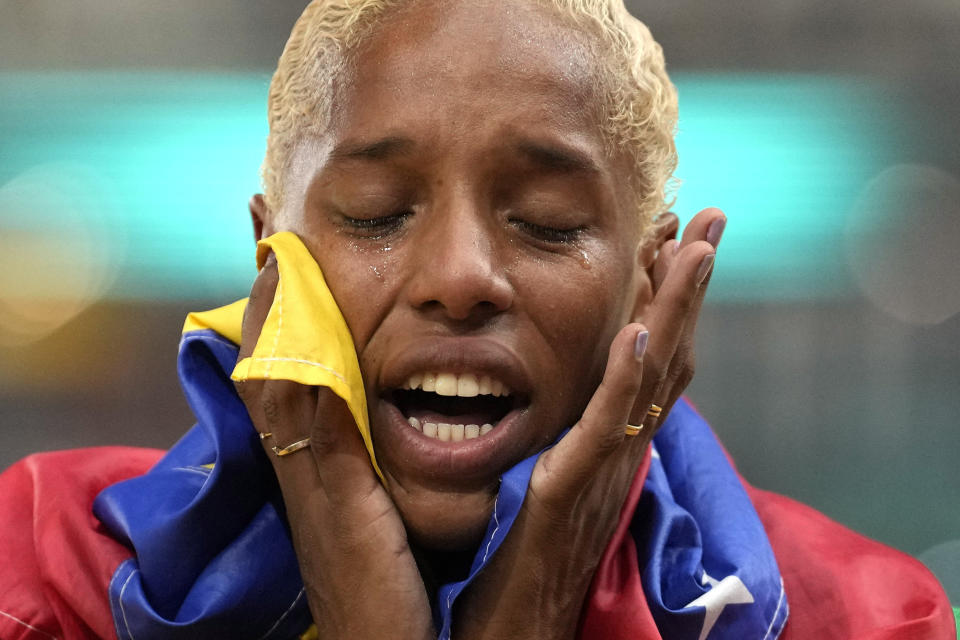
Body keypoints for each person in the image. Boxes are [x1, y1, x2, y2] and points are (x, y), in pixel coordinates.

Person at [0, 1, 955, 639]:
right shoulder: (42, 577)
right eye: (377, 210)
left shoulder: (867, 619)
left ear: (650, 283)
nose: (460, 280)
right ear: (269, 260)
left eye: (544, 222)